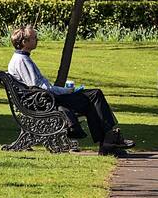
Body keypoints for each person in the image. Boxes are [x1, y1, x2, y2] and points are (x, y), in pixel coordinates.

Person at [7, 26, 135, 154]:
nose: (37, 39)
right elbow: (38, 88)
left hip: (46, 98)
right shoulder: (22, 60)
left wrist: (64, 91)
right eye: (34, 37)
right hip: (47, 100)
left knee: (91, 102)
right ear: (24, 42)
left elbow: (40, 87)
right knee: (95, 95)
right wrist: (65, 91)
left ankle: (108, 141)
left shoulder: (22, 58)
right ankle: (109, 139)